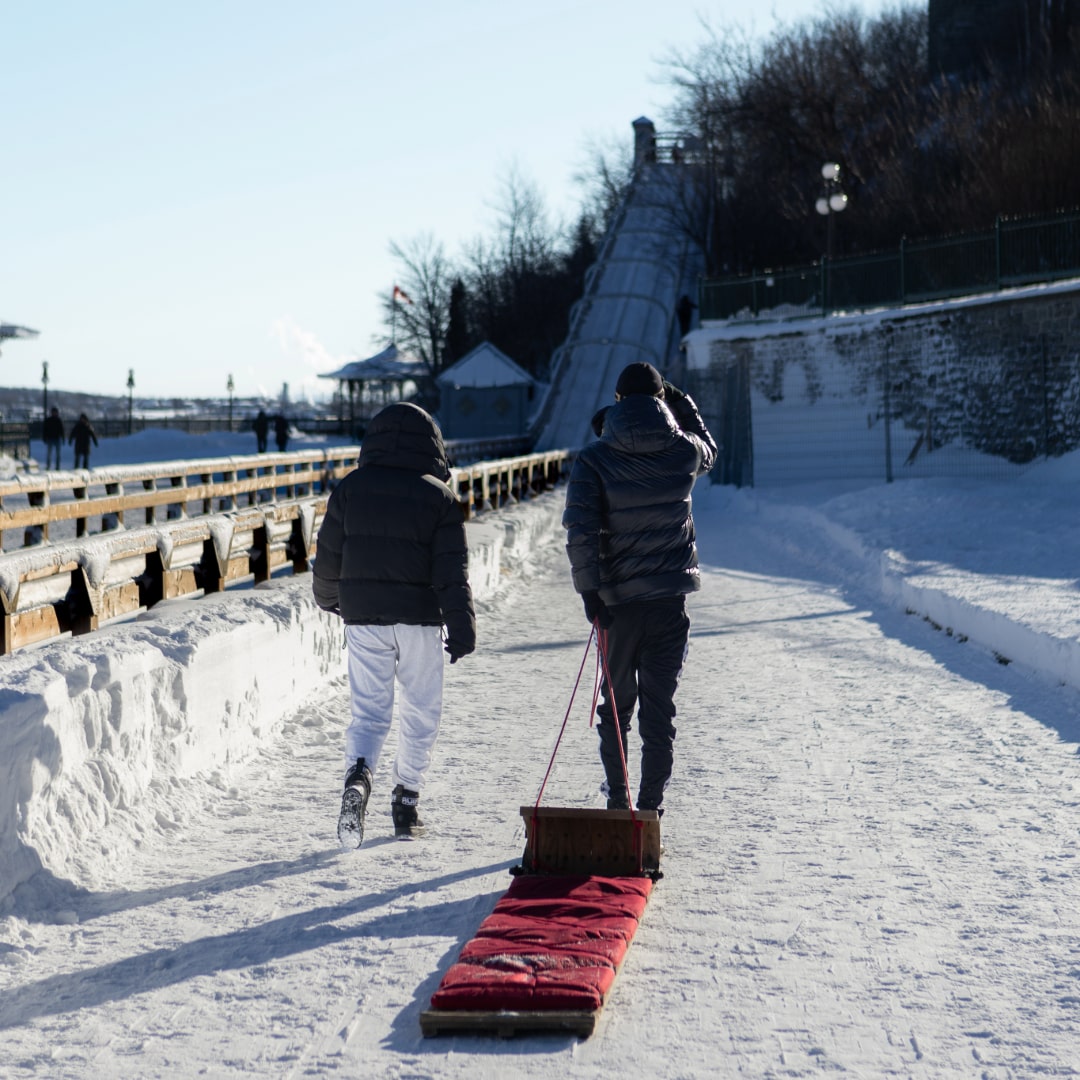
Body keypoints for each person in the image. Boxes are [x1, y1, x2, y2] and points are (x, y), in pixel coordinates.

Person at [312, 402, 476, 847]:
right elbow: (450, 571)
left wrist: (331, 599)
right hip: (420, 619)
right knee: (421, 708)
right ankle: (405, 801)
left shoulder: (351, 489)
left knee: (369, 713)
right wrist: (461, 625)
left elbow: (328, 556)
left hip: (363, 616)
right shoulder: (439, 497)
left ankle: (359, 777)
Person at [563, 361, 717, 816]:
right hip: (669, 604)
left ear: (617, 402)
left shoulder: (594, 459)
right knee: (658, 710)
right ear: (660, 400)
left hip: (617, 608)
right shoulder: (683, 452)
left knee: (615, 709)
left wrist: (590, 592)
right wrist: (679, 399)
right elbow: (709, 446)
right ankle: (649, 809)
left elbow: (581, 529)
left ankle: (618, 801)